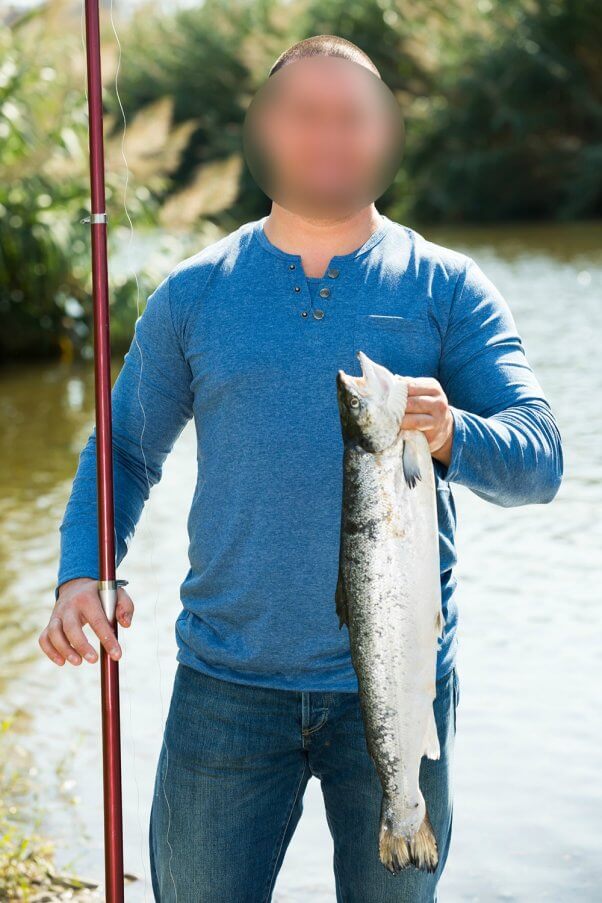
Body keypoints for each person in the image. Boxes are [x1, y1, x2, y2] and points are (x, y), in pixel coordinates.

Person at [39, 34, 563, 903]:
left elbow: (540, 459)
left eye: (352, 116)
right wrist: (81, 571)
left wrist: (452, 433)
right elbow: (125, 450)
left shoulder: (447, 286)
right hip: (226, 689)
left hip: (397, 694)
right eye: (303, 114)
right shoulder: (195, 292)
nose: (328, 136)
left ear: (386, 133)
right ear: (264, 132)